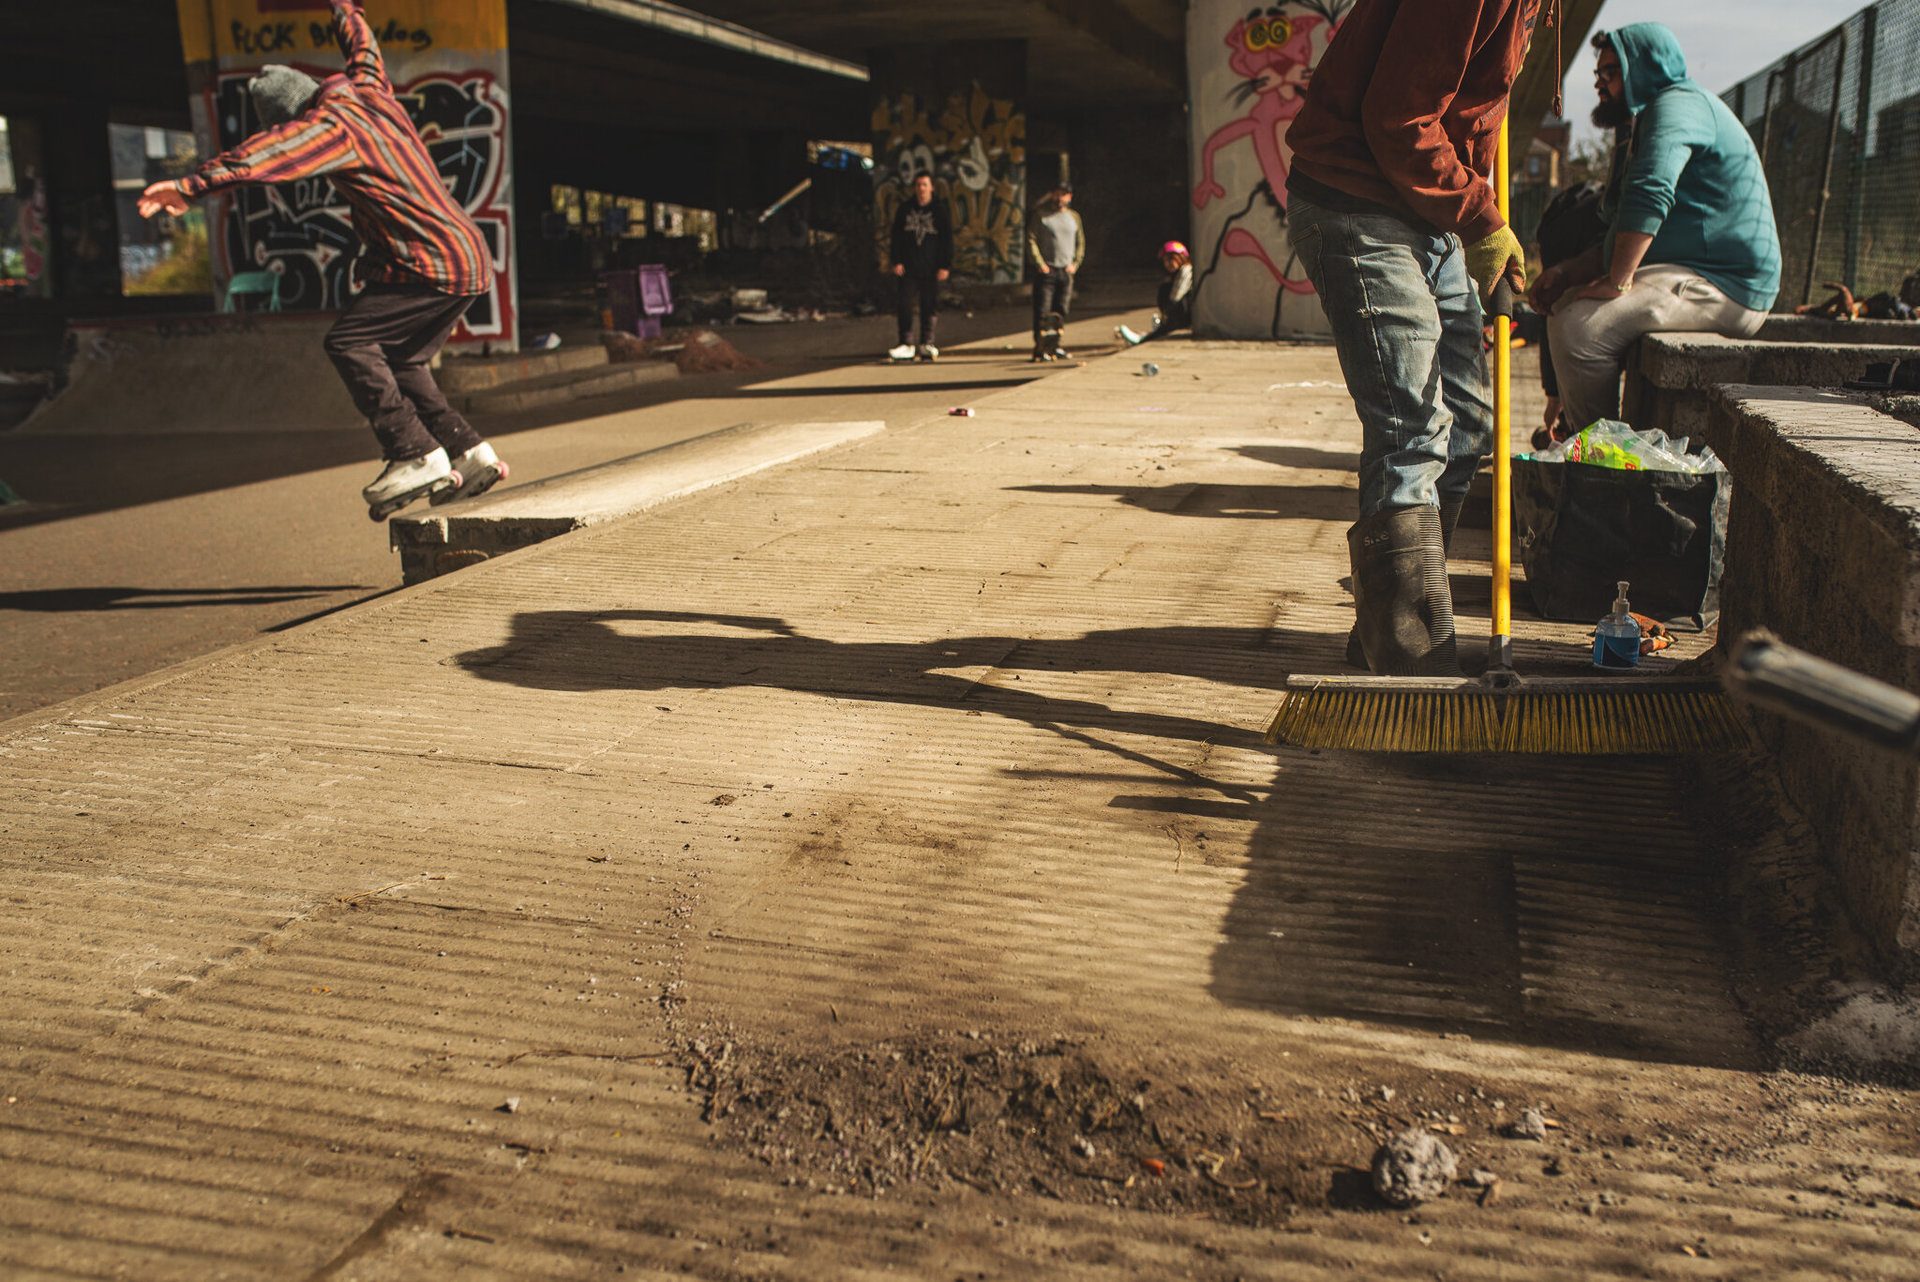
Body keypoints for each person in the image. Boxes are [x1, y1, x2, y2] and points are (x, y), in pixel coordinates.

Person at [137, 0, 507, 521]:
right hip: (467, 255)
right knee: (402, 359)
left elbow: (268, 155)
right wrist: (344, 7)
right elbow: (364, 46)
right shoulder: (370, 89)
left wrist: (189, 185)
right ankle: (469, 453)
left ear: (295, 115)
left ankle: (412, 451)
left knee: (350, 341)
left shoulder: (327, 125)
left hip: (431, 262)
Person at [1283, 0, 1543, 675]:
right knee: (1412, 428)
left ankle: (1386, 629)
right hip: (1357, 201)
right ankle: (1412, 665)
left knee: (1466, 426)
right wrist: (1481, 217)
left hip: (1426, 217)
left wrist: (1478, 216)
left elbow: (1469, 111)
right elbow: (1398, 117)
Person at [1531, 25, 1780, 435]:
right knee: (1568, 303)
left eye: (1610, 73)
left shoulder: (1677, 106)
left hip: (1732, 287)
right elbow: (1619, 228)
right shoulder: (1647, 120)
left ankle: (1602, 464)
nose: (1601, 85)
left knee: (1580, 329)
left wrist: (1618, 280)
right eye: (1598, 75)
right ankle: (1595, 447)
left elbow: (1651, 193)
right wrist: (1566, 273)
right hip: (1696, 273)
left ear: (1644, 68)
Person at [887, 173, 953, 362]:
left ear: (931, 187)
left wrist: (944, 265)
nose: (921, 188)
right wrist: (896, 261)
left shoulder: (939, 211)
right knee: (905, 304)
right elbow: (896, 236)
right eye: (918, 185)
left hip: (931, 268)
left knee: (929, 305)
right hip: (908, 267)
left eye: (924, 184)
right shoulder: (905, 209)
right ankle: (906, 343)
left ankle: (927, 342)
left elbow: (947, 239)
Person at [1027, 184, 1084, 362]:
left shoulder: (1074, 217)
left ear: (1069, 197)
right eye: (1057, 194)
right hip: (1047, 270)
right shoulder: (1041, 216)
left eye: (1064, 195)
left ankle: (1055, 345)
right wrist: (1039, 263)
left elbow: (1080, 242)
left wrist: (1075, 263)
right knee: (1043, 312)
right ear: (1052, 195)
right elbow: (1031, 239)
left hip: (1065, 271)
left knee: (1060, 311)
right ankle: (1041, 347)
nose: (1060, 198)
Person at [1117, 241, 1193, 346]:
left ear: (1180, 258)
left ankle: (1145, 339)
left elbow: (1176, 296)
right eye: (1165, 260)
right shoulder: (1173, 275)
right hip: (1178, 312)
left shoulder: (1186, 270)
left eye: (1171, 259)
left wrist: (1168, 313)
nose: (1169, 264)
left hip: (1184, 312)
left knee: (1165, 290)